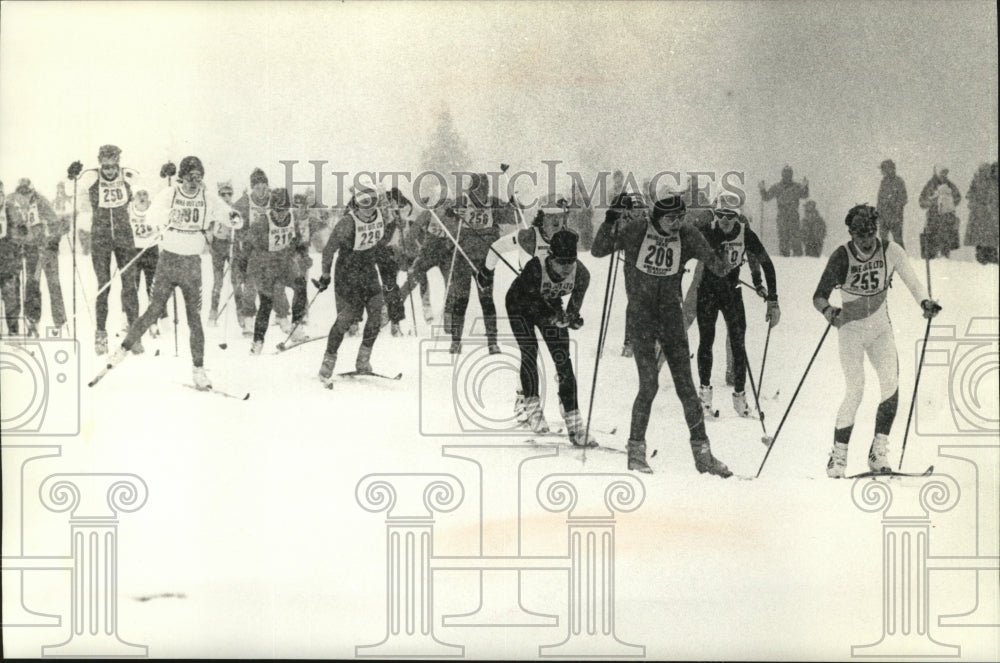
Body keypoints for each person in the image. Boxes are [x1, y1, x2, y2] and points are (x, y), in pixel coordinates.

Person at [592, 194, 734, 477]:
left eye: (681, 218)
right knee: (649, 385)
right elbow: (599, 250)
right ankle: (635, 452)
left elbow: (717, 267)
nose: (676, 224)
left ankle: (703, 456)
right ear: (656, 217)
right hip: (642, 317)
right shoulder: (636, 230)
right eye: (671, 219)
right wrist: (610, 220)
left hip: (671, 316)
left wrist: (725, 257)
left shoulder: (687, 234)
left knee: (686, 388)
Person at [812, 204, 941, 478]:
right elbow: (819, 296)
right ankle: (838, 457)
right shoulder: (841, 256)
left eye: (871, 235)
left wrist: (925, 301)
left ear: (876, 231)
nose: (867, 242)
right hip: (851, 331)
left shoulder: (891, 250)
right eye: (861, 237)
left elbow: (913, 282)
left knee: (891, 385)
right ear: (851, 234)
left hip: (881, 329)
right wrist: (828, 311)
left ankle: (878, 451)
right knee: (855, 390)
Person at [106, 156, 244, 390]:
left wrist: (234, 218)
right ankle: (122, 349)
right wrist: (169, 217)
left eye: (198, 178)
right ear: (181, 177)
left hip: (191, 265)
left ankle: (199, 370)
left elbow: (233, 219)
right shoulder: (170, 194)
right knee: (154, 311)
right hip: (168, 262)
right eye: (190, 178)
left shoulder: (207, 197)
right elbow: (150, 216)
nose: (194, 183)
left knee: (194, 319)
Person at [497, 229, 594, 445]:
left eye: (571, 261)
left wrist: (572, 319)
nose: (566, 267)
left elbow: (573, 308)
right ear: (551, 257)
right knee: (530, 352)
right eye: (561, 261)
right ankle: (532, 407)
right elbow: (531, 302)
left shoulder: (582, 274)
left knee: (563, 360)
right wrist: (553, 317)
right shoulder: (534, 268)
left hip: (550, 305)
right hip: (519, 306)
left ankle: (573, 419)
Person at [694, 195, 779, 419]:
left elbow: (766, 263)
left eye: (729, 216)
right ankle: (704, 397)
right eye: (720, 215)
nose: (724, 220)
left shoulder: (745, 233)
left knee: (738, 343)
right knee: (706, 341)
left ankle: (740, 399)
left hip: (731, 292)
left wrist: (772, 299)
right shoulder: (707, 231)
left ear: (737, 216)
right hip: (708, 292)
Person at [314, 180, 394, 386]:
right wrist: (325, 274)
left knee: (377, 314)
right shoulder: (347, 223)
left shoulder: (380, 215)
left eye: (373, 202)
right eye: (365, 203)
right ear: (357, 204)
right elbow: (329, 249)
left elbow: (386, 230)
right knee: (346, 319)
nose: (370, 208)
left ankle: (363, 360)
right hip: (347, 275)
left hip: (368, 271)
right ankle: (328, 361)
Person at [442, 172, 519, 354]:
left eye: (484, 189)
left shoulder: (493, 202)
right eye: (477, 189)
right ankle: (456, 341)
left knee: (486, 299)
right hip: (463, 256)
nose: (481, 193)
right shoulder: (463, 201)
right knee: (462, 298)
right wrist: (451, 211)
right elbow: (446, 212)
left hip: (485, 260)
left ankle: (492, 341)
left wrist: (513, 205)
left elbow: (510, 217)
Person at [89, 144, 139, 355]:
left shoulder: (128, 179)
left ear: (118, 164)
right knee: (104, 285)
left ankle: (134, 335)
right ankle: (100, 334)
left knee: (130, 284)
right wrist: (71, 175)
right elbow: (76, 184)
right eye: (106, 166)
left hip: (124, 238)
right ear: (100, 164)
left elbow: (144, 192)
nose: (109, 171)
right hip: (100, 239)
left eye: (113, 166)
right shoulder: (92, 181)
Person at [246, 187, 308, 354]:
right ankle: (257, 342)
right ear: (271, 208)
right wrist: (250, 264)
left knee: (301, 284)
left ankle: (296, 325)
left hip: (285, 262)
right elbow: (249, 243)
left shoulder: (292, 217)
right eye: (278, 210)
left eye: (285, 209)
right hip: (266, 266)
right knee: (266, 304)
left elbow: (297, 239)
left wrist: (302, 252)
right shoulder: (263, 222)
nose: (281, 214)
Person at [5, 179, 66, 337]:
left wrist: (54, 240)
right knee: (32, 284)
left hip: (47, 249)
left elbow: (55, 223)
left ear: (32, 191)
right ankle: (32, 320)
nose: (24, 195)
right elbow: (13, 229)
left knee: (53, 283)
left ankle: (59, 321)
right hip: (31, 250)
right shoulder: (12, 204)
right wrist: (18, 242)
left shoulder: (41, 201)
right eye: (21, 192)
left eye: (27, 192)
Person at [127, 184, 165, 338]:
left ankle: (153, 321)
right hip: (134, 251)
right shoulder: (129, 209)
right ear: (134, 197)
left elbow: (163, 226)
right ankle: (129, 320)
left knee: (152, 287)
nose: (142, 197)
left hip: (151, 250)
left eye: (145, 194)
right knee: (131, 287)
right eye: (139, 194)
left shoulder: (154, 209)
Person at [759, 165, 809, 257]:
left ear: (791, 174)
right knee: (784, 238)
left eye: (789, 173)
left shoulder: (795, 187)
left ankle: (798, 260)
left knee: (795, 238)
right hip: (783, 216)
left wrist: (805, 186)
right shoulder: (778, 187)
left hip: (793, 215)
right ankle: (785, 259)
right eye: (785, 173)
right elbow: (766, 197)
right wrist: (762, 190)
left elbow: (805, 195)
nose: (787, 176)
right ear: (782, 174)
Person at [208, 181, 236, 325]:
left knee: (236, 280)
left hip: (231, 245)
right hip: (218, 246)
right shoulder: (214, 208)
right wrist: (209, 243)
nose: (226, 197)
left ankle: (242, 317)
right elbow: (208, 227)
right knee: (218, 282)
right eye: (223, 194)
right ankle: (212, 314)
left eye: (229, 194)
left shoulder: (235, 209)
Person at [0, 179, 25, 336]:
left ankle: (13, 331)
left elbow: (21, 231)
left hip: (7, 262)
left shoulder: (11, 211)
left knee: (11, 299)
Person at [918, 167, 961, 259]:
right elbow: (921, 201)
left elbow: (958, 198)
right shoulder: (931, 185)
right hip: (934, 219)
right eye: (942, 173)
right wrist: (932, 201)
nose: (944, 175)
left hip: (946, 219)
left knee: (945, 245)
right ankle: (935, 263)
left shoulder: (949, 185)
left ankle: (943, 264)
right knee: (932, 245)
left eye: (945, 173)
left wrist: (948, 201)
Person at [965, 162, 999, 265]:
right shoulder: (991, 182)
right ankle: (988, 261)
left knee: (985, 243)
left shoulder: (984, 181)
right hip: (986, 218)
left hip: (984, 219)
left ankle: (986, 261)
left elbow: (970, 196)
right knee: (987, 243)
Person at [876, 159, 907, 248]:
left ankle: (902, 260)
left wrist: (894, 208)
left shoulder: (899, 181)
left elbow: (904, 199)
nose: (882, 172)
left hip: (895, 219)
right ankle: (886, 260)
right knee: (883, 243)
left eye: (883, 169)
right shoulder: (883, 182)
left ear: (889, 169)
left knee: (898, 242)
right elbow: (880, 200)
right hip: (883, 218)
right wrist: (878, 213)